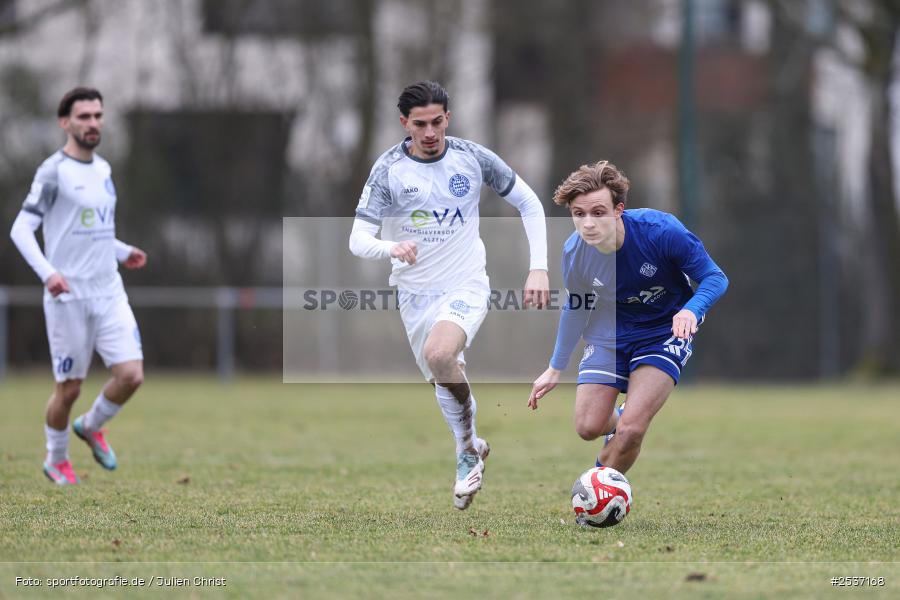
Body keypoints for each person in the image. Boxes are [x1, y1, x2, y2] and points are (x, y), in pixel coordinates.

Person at [349, 80, 550, 509]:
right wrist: (390, 247)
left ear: (448, 119)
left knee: (440, 354)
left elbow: (529, 203)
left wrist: (539, 267)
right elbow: (357, 239)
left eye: (437, 122)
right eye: (419, 124)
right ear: (404, 123)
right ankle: (473, 443)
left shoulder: (472, 158)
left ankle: (464, 453)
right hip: (414, 295)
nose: (430, 132)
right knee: (444, 369)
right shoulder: (389, 170)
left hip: (466, 283)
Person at [528, 161, 727, 514]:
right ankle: (620, 420)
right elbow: (576, 307)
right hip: (610, 335)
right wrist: (555, 367)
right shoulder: (575, 252)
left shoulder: (661, 231)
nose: (588, 223)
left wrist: (690, 311)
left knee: (632, 430)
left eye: (598, 212)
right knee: (588, 427)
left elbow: (715, 278)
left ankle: (597, 500)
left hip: (663, 332)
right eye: (578, 214)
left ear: (619, 210)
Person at [10, 87, 147, 485]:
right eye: (84, 116)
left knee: (131, 375)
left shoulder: (103, 170)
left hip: (108, 290)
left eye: (98, 115)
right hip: (68, 295)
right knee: (68, 389)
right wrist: (48, 273)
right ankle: (56, 459)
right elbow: (21, 229)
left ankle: (91, 425)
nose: (93, 123)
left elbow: (92, 229)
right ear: (65, 122)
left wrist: (121, 251)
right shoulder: (53, 171)